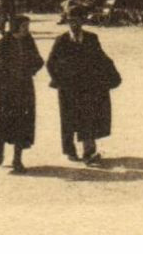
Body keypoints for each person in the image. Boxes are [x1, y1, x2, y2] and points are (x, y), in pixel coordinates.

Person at [46, 13, 120, 163]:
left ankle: (89, 151)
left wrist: (111, 76)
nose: (74, 25)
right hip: (68, 87)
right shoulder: (61, 40)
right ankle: (70, 150)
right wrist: (59, 80)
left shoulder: (91, 38)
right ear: (67, 23)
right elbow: (51, 63)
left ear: (82, 22)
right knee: (68, 119)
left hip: (87, 85)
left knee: (88, 115)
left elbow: (101, 57)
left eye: (77, 21)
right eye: (71, 22)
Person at [0, 14, 44, 174]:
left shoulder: (28, 41)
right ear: (16, 27)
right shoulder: (3, 44)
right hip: (6, 92)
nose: (27, 30)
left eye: (28, 26)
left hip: (24, 89)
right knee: (3, 123)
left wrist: (30, 69)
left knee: (22, 124)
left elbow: (38, 60)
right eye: (24, 26)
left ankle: (17, 159)